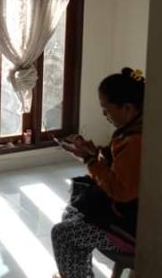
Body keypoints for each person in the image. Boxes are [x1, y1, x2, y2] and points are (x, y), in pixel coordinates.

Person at [51, 67, 145, 278]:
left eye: (106, 109)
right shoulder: (132, 130)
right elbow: (119, 165)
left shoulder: (135, 142)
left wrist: (90, 160)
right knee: (72, 212)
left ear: (127, 108)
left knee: (63, 234)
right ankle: (77, 272)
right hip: (124, 213)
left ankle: (74, 272)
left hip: (132, 227)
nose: (104, 115)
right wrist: (94, 153)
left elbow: (121, 192)